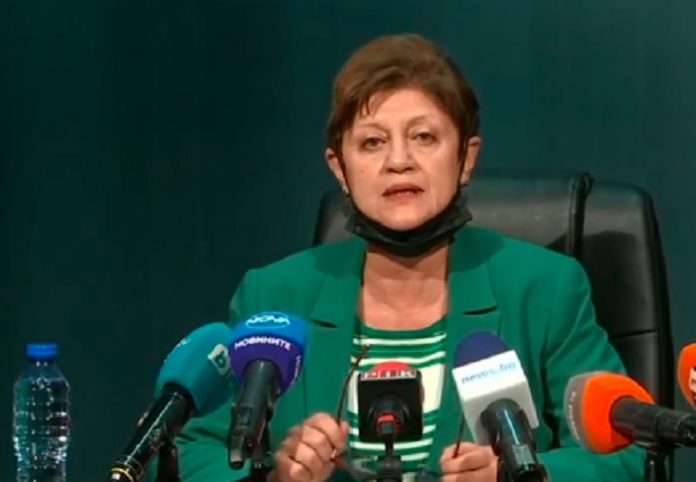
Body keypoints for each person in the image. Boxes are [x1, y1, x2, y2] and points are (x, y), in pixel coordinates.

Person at [174, 33, 643, 482]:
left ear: (466, 158)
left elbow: (627, 454)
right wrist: (275, 475)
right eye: (372, 142)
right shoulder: (276, 295)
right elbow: (190, 452)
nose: (399, 161)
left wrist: (517, 475)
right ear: (339, 167)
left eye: (423, 137)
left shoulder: (544, 289)